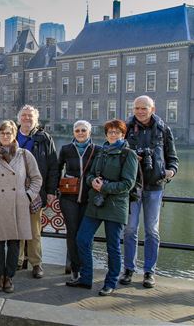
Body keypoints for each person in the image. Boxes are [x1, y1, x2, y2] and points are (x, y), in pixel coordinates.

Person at [67, 119, 138, 296]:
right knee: (82, 239)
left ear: (123, 134)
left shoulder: (128, 154)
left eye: (116, 132)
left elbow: (128, 184)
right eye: (110, 132)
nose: (113, 134)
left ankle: (111, 282)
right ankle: (86, 278)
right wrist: (93, 182)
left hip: (115, 205)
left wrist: (104, 187)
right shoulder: (101, 151)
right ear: (106, 134)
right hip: (97, 203)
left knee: (112, 247)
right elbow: (90, 174)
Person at [120, 95, 179, 288]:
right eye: (136, 108)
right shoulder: (126, 128)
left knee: (152, 231)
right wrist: (130, 157)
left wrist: (170, 171)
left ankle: (149, 272)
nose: (139, 111)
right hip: (132, 186)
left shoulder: (163, 129)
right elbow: (116, 152)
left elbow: (172, 157)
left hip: (155, 186)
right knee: (130, 230)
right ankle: (128, 269)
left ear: (152, 109)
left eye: (143, 108)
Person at [0, 120, 42, 293]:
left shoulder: (25, 155)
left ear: (15, 135)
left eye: (9, 133)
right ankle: (0, 275)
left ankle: (10, 277)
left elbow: (37, 178)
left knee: (14, 243)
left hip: (18, 204)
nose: (5, 136)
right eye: (2, 133)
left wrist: (28, 195)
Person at [16, 105, 58, 279]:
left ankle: (36, 263)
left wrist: (50, 190)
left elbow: (53, 166)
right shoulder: (11, 135)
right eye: (24, 116)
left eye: (30, 116)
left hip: (35, 191)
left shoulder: (44, 138)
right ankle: (16, 261)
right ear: (18, 118)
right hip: (15, 191)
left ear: (36, 119)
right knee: (16, 228)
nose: (26, 118)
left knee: (34, 230)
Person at [57, 120, 100, 282]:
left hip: (89, 198)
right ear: (73, 133)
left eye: (83, 130)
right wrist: (55, 188)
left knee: (85, 235)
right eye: (77, 130)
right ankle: (75, 268)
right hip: (69, 198)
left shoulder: (97, 150)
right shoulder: (66, 149)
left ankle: (86, 268)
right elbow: (57, 167)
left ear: (89, 132)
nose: (80, 133)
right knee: (72, 232)